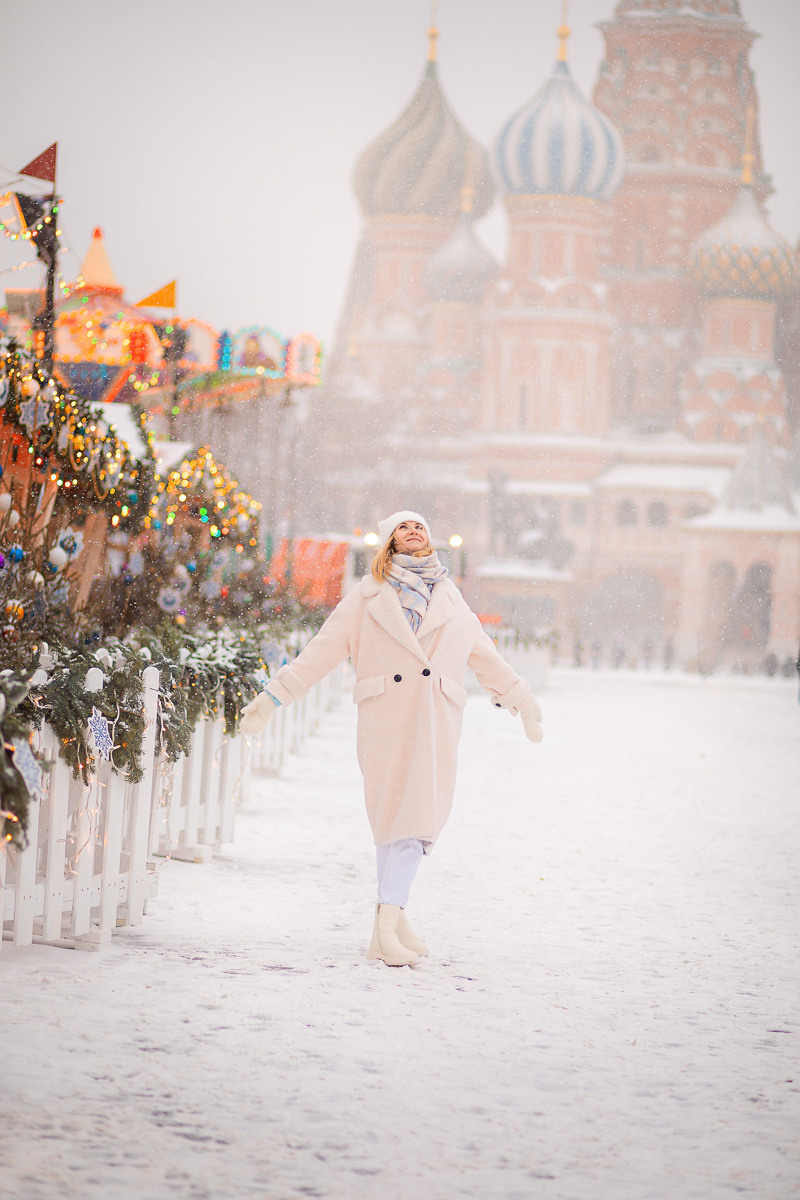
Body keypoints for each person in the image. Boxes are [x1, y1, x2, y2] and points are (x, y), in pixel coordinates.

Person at [240, 511, 543, 967]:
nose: (413, 531)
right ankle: (388, 924)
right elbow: (321, 651)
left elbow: (485, 655)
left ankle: (389, 925)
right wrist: (273, 698)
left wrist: (523, 701)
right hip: (386, 717)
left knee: (415, 821)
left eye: (419, 525)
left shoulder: (450, 597)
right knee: (394, 819)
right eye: (403, 527)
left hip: (435, 718)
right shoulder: (365, 598)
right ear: (388, 542)